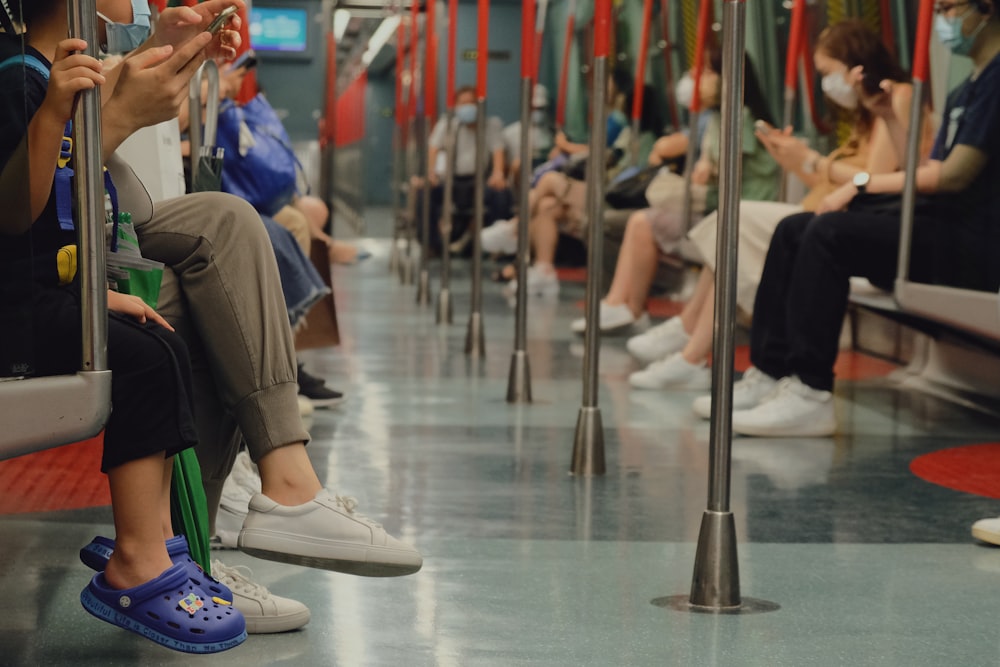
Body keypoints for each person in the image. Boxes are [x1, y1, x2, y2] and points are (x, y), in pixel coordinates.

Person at [13, 0, 422, 635]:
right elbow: (32, 216)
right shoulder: (27, 79)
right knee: (192, 310)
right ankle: (188, 551)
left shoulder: (85, 65)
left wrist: (179, 45)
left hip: (92, 248)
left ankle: (287, 483)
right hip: (51, 274)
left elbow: (116, 103)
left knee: (229, 222)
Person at [0, 6, 247, 653]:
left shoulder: (65, 74)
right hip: (18, 313)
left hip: (51, 291)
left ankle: (158, 542)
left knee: (159, 342)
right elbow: (17, 214)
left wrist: (98, 295)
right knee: (139, 359)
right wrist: (54, 111)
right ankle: (135, 562)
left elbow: (148, 79)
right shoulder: (23, 82)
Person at [693, 0, 1000, 436]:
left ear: (985, 8)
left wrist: (858, 185)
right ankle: (771, 371)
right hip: (938, 226)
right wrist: (884, 115)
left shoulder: (996, 80)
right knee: (793, 229)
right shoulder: (963, 91)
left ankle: (811, 391)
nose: (942, 20)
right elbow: (921, 169)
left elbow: (954, 176)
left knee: (829, 233)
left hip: (971, 242)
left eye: (948, 8)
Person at [627, 20, 932, 390]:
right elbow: (832, 185)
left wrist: (811, 160)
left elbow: (871, 181)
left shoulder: (893, 101)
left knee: (737, 222)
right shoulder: (863, 119)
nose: (826, 85)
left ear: (856, 66)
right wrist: (797, 162)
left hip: (848, 218)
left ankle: (692, 348)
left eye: (827, 73)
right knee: (734, 226)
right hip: (825, 210)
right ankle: (691, 338)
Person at [570, 50, 779, 336]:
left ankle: (629, 307)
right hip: (716, 210)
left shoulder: (739, 119)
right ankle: (619, 301)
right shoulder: (719, 118)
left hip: (732, 216)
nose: (696, 80)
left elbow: (730, 171)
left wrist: (709, 166)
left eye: (705, 73)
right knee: (638, 220)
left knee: (643, 222)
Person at [494, 68, 658, 297]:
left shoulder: (646, 140)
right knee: (545, 206)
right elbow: (609, 156)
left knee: (550, 180)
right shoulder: (628, 133)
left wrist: (569, 148)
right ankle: (543, 271)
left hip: (616, 196)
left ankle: (514, 228)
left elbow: (609, 159)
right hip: (607, 188)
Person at [418, 84, 511, 253]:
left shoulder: (491, 125)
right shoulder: (447, 125)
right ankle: (432, 245)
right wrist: (431, 173)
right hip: (451, 182)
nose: (467, 107)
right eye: (463, 103)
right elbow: (433, 148)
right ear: (456, 106)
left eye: (471, 103)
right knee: (425, 194)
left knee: (502, 196)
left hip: (479, 182)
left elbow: (498, 151)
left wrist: (498, 174)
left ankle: (492, 246)